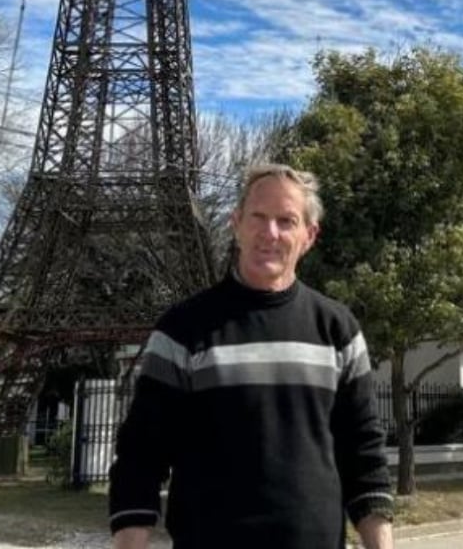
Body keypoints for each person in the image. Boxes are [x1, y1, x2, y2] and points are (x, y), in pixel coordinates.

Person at [108, 164, 395, 549]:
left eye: (286, 220)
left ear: (309, 236)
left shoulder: (338, 329)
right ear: (236, 223)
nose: (269, 233)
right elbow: (141, 455)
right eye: (258, 217)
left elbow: (364, 454)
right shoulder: (182, 329)